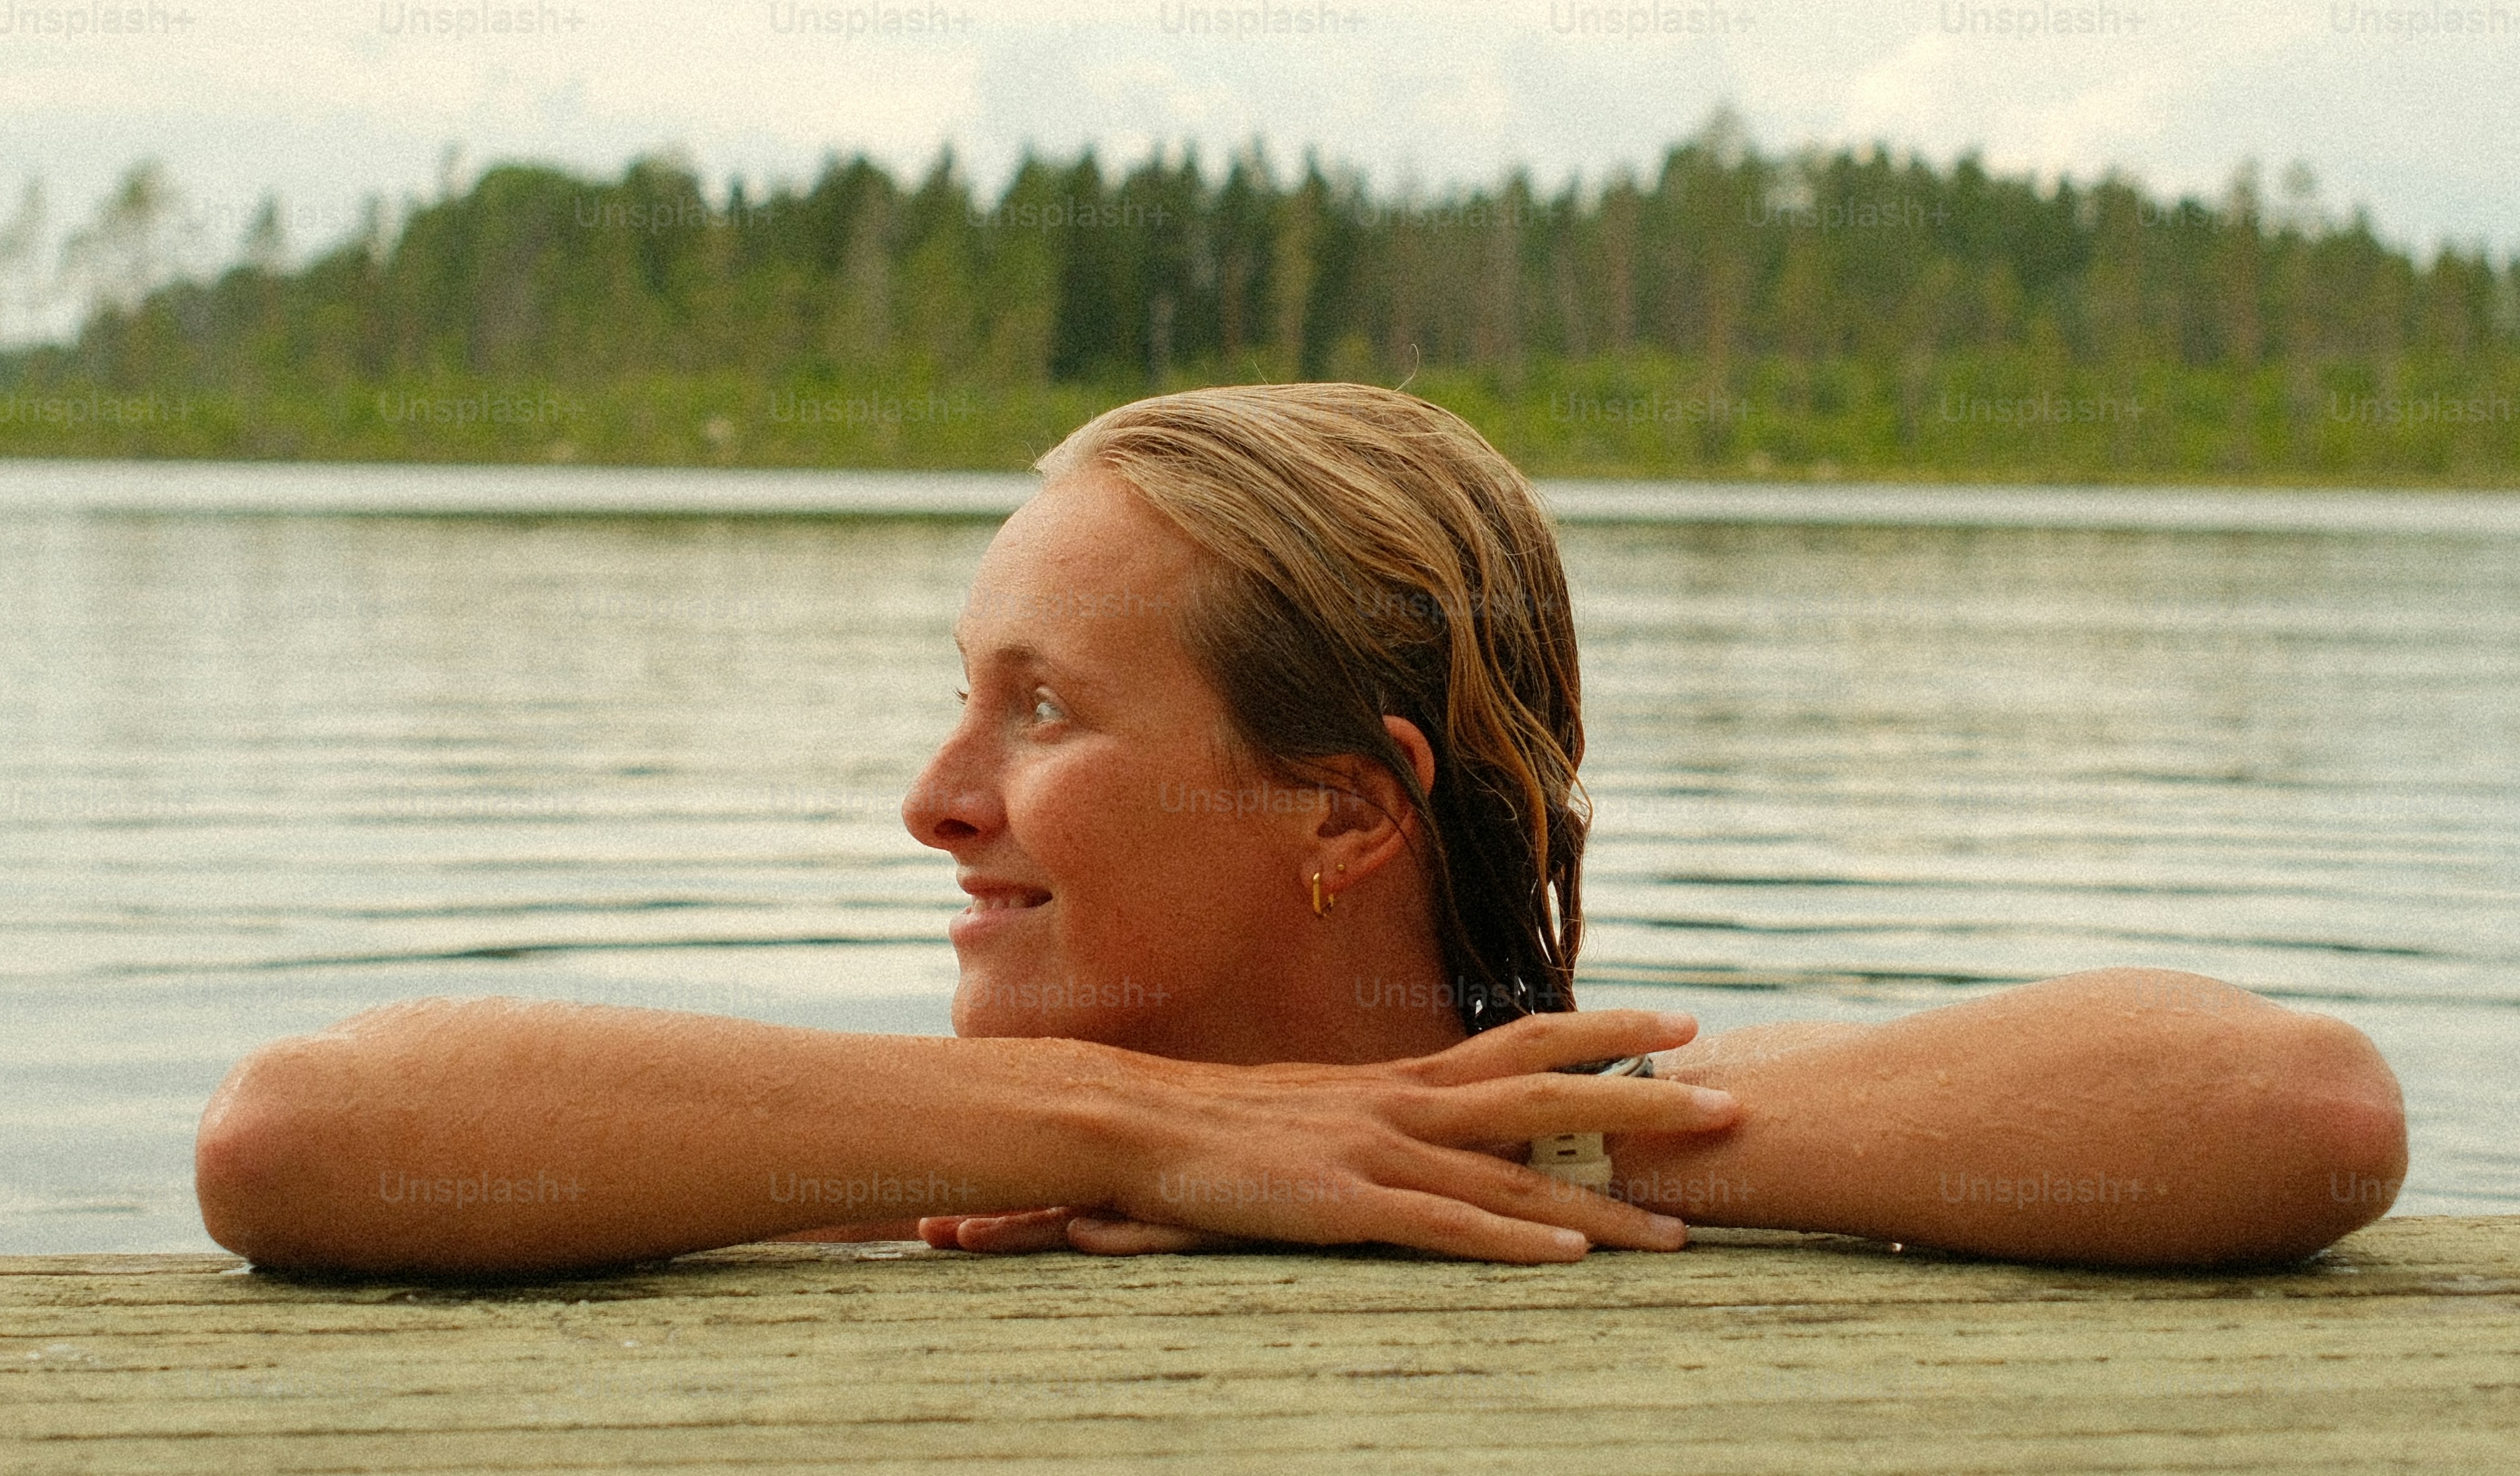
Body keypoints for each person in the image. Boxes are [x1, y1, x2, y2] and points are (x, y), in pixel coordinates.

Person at [194, 384, 2407, 1280]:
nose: (934, 801)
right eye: (963, 697)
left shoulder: (1572, 1148)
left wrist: (1456, 1142)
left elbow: (2287, 1107)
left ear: (1343, 806)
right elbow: (295, 1138)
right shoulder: (940, 1151)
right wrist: (1156, 1131)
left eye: (1038, 708)